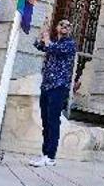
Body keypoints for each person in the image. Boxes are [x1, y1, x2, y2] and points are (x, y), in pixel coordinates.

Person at [29, 19, 77, 167]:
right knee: (45, 120)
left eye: (68, 25)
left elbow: (52, 47)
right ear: (57, 28)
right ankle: (45, 154)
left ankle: (50, 156)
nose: (64, 27)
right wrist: (42, 32)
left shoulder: (69, 44)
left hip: (59, 86)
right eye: (61, 24)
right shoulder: (54, 42)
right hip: (47, 85)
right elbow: (39, 45)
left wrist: (46, 37)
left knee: (53, 120)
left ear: (70, 29)